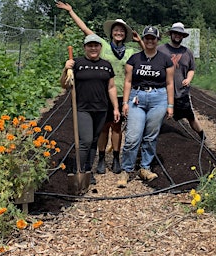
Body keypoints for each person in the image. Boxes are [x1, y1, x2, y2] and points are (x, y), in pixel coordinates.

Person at [56, 1, 143, 175]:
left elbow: (147, 54)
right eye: (115, 30)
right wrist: (71, 11)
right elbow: (85, 30)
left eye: (121, 31)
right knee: (102, 129)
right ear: (111, 33)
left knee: (117, 128)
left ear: (125, 34)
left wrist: (140, 40)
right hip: (102, 95)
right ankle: (101, 158)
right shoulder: (102, 46)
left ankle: (116, 159)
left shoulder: (130, 52)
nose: (118, 33)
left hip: (121, 95)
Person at [118, 26, 174, 188]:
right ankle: (126, 170)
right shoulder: (134, 59)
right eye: (147, 38)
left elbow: (170, 83)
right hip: (137, 97)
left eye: (153, 38)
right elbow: (128, 81)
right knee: (132, 137)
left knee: (150, 136)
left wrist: (170, 105)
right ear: (143, 39)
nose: (150, 41)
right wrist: (125, 103)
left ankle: (145, 168)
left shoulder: (165, 60)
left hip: (159, 98)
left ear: (157, 40)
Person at [59, 34, 120, 184]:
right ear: (85, 47)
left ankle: (88, 171)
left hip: (101, 108)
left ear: (100, 47)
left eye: (96, 45)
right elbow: (64, 84)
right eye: (90, 45)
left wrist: (116, 108)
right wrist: (65, 69)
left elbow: (111, 87)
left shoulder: (106, 65)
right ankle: (78, 170)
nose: (93, 48)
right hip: (82, 108)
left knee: (94, 141)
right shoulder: (77, 63)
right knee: (85, 140)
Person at [157, 22, 206, 141]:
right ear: (171, 34)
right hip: (162, 92)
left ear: (183, 36)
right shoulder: (161, 49)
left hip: (181, 93)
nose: (177, 35)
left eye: (180, 34)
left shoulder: (187, 52)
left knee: (190, 117)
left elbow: (191, 69)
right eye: (175, 33)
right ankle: (151, 140)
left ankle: (203, 138)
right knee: (156, 118)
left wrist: (189, 78)